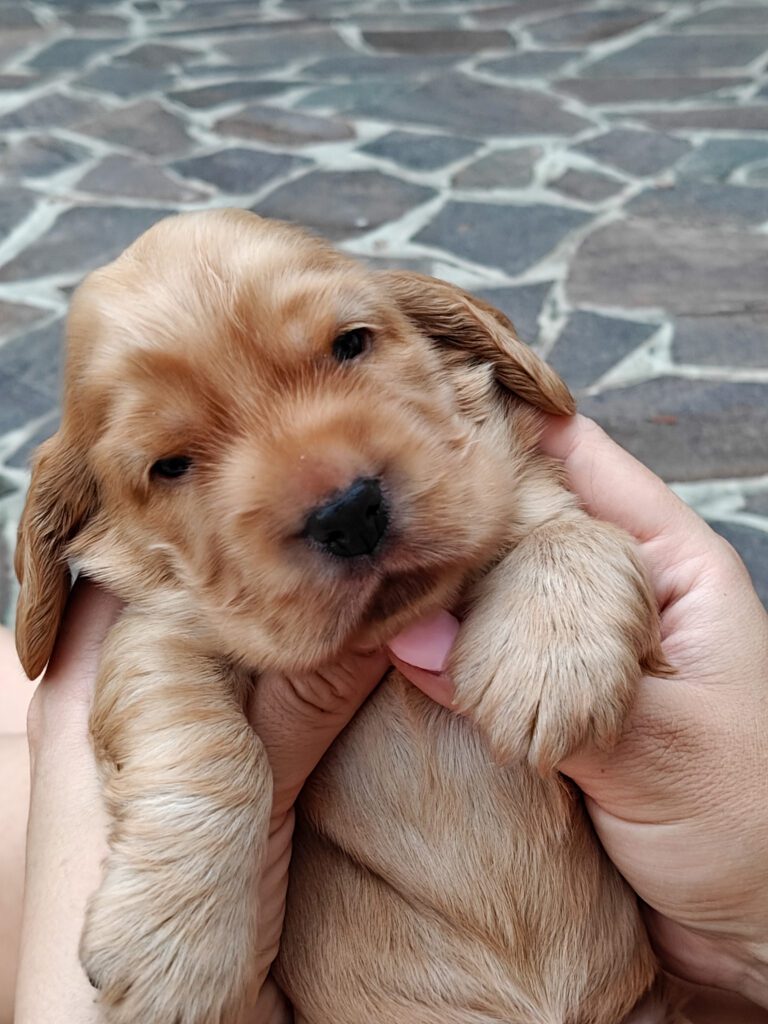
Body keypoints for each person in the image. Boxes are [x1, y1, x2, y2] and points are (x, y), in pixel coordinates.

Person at [2, 415, 767, 1024]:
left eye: (349, 349)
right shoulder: (172, 597)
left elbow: (564, 528)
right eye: (175, 464)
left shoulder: (477, 471)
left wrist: (564, 561)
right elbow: (155, 671)